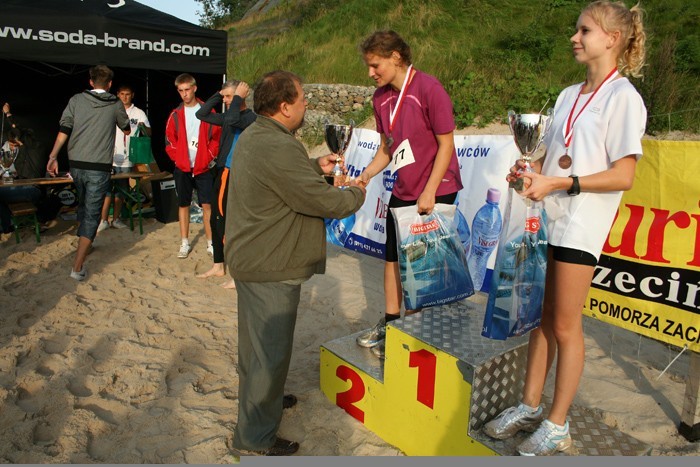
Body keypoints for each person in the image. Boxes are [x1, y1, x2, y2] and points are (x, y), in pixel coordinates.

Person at [483, 1, 647, 456]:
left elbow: (623, 175)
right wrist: (530, 171)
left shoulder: (624, 98)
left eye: (585, 31)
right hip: (549, 220)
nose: (575, 38)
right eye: (576, 30)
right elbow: (548, 156)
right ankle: (530, 405)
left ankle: (557, 423)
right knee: (541, 319)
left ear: (612, 39)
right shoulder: (567, 95)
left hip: (582, 225)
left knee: (566, 326)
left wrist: (562, 181)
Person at [225, 70, 366, 456]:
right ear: (285, 106)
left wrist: (313, 165)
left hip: (253, 258)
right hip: (269, 264)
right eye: (302, 98)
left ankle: (263, 402)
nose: (307, 104)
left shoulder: (261, 134)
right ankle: (254, 438)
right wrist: (356, 194)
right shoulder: (278, 146)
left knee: (255, 348)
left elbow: (283, 178)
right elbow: (321, 203)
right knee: (268, 352)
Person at [354, 30, 463, 358]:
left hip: (436, 189)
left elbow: (447, 145)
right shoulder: (380, 98)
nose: (370, 73)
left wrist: (429, 192)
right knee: (391, 259)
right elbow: (386, 149)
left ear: (396, 58)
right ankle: (390, 325)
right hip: (403, 189)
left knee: (419, 269)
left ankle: (411, 335)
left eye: (375, 65)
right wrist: (367, 174)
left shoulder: (429, 89)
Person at [46, 65, 131, 281]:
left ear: (90, 82)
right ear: (110, 84)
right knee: (92, 212)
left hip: (76, 164)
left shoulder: (76, 100)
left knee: (84, 205)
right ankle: (77, 266)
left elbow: (64, 129)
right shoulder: (115, 103)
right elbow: (127, 128)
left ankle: (85, 244)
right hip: (98, 166)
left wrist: (53, 156)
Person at [195, 79, 256, 288]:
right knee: (215, 221)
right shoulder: (231, 115)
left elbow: (232, 119)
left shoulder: (249, 117)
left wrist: (238, 98)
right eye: (226, 98)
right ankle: (219, 265)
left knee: (228, 224)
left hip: (234, 174)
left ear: (242, 96)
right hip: (222, 172)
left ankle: (238, 274)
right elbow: (201, 114)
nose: (227, 101)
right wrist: (218, 94)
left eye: (230, 97)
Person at [165, 73, 220, 258]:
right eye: (180, 91)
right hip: (183, 168)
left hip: (203, 167)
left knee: (207, 206)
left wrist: (208, 157)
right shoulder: (175, 114)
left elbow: (216, 138)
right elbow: (169, 140)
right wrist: (178, 159)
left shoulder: (208, 111)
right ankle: (184, 243)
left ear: (195, 88)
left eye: (187, 89)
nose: (184, 94)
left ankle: (211, 243)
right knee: (183, 204)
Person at [98, 84, 151, 232]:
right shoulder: (111, 109)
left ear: (132, 95)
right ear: (117, 94)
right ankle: (103, 220)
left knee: (122, 190)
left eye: (127, 94)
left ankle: (116, 219)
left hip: (128, 157)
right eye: (122, 94)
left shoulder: (138, 112)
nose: (125, 97)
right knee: (107, 189)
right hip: (110, 156)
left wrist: (142, 127)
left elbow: (149, 132)